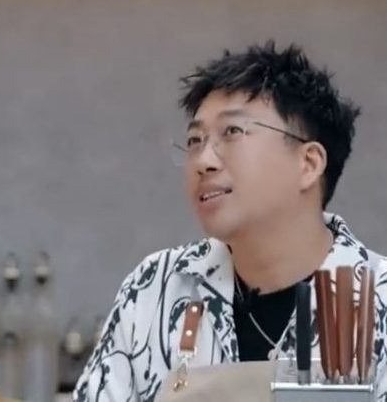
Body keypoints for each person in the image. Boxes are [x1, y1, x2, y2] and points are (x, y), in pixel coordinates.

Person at [75, 41, 387, 401]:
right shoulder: (156, 287)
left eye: (232, 132)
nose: (203, 160)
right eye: (195, 140)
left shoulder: (378, 299)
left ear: (308, 164)